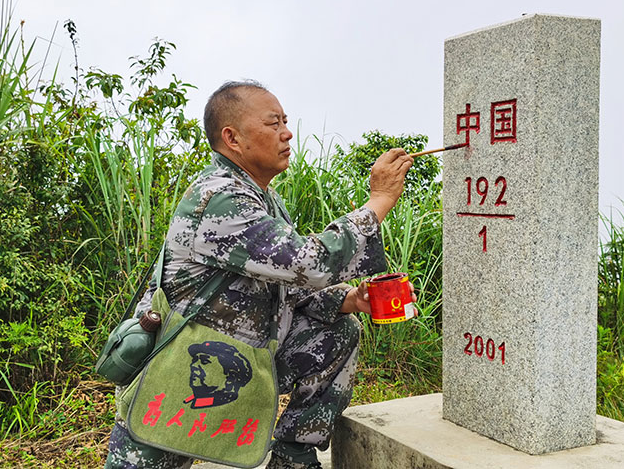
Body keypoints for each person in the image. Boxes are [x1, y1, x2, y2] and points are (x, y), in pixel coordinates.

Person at [105, 80, 414, 469]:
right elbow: (309, 263)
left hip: (234, 363)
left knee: (337, 331)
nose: (287, 133)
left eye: (285, 121)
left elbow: (285, 284)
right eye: (273, 124)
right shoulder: (219, 197)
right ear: (232, 138)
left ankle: (294, 457)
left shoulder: (264, 199)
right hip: (180, 371)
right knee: (152, 448)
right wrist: (380, 200)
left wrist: (347, 299)